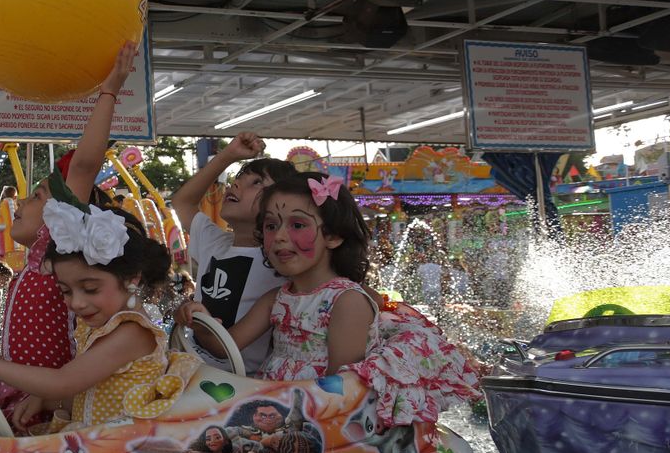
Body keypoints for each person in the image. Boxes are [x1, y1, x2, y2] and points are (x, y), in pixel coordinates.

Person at [0, 42, 138, 422]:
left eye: (35, 196)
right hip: (32, 395)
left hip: (42, 396)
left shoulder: (60, 249)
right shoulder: (34, 263)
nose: (20, 203)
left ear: (60, 214)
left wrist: (110, 90)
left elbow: (83, 165)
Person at [192, 172, 478, 425]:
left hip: (319, 421)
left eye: (298, 225)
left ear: (333, 236)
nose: (279, 237)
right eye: (270, 226)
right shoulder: (278, 297)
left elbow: (342, 392)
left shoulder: (346, 301)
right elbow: (223, 346)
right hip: (278, 405)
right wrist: (198, 319)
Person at [0, 202, 196, 432]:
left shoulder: (132, 333)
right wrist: (46, 402)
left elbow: (62, 381)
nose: (76, 302)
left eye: (90, 289)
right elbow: (91, 390)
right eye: (66, 290)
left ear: (132, 279)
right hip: (94, 440)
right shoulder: (103, 326)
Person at [170, 133, 297, 374]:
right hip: (192, 369)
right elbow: (183, 202)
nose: (236, 185)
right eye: (238, 179)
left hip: (243, 381)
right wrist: (227, 156)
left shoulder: (283, 258)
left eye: (257, 182)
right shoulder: (215, 242)